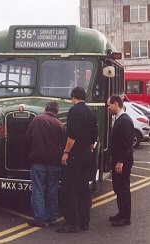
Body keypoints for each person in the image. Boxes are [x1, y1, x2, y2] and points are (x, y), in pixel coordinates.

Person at [56, 86, 98, 233]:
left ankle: (71, 223)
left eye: (71, 98)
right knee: (84, 188)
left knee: (69, 188)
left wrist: (66, 152)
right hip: (88, 152)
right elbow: (94, 136)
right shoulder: (90, 111)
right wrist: (89, 149)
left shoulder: (74, 111)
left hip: (75, 154)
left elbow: (72, 135)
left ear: (74, 97)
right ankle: (84, 222)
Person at [25, 101, 66, 227]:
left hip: (38, 161)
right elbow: (63, 143)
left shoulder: (37, 120)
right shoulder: (60, 125)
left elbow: (27, 137)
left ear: (45, 109)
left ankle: (40, 218)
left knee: (38, 190)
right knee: (52, 190)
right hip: (54, 162)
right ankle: (52, 217)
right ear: (57, 112)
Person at [107, 94, 134, 226]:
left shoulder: (124, 121)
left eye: (109, 105)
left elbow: (127, 145)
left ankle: (125, 218)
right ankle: (121, 213)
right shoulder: (119, 119)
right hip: (119, 161)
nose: (108, 108)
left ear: (116, 104)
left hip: (122, 162)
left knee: (123, 189)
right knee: (118, 188)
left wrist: (120, 161)